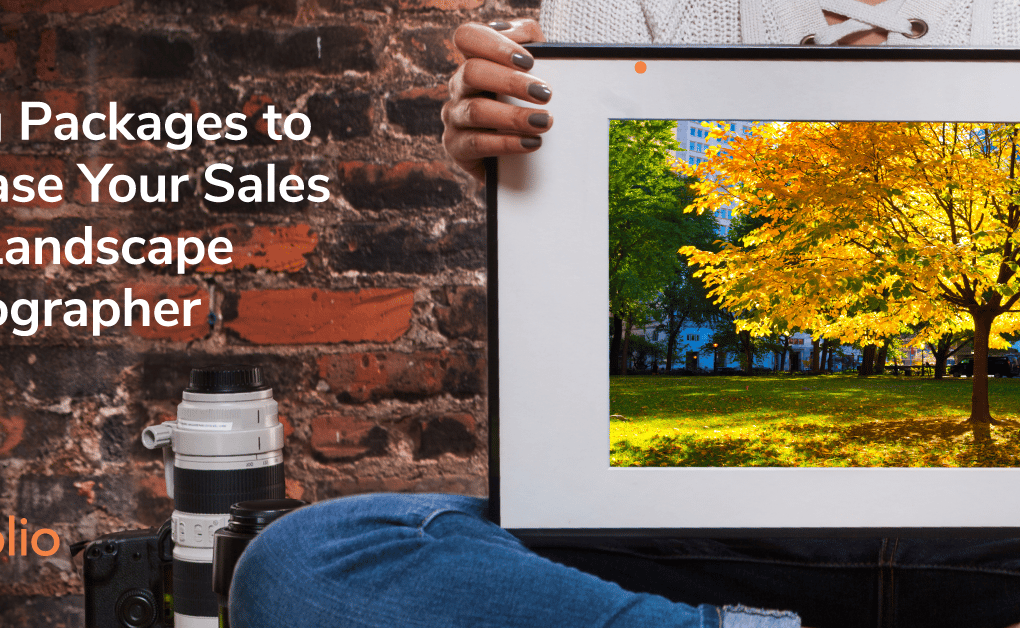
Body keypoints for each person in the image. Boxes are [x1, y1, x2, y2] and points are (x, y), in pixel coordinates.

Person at [230, 3, 1020, 627]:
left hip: (998, 553)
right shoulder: (628, 4)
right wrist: (518, 172)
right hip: (691, 553)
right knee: (311, 563)